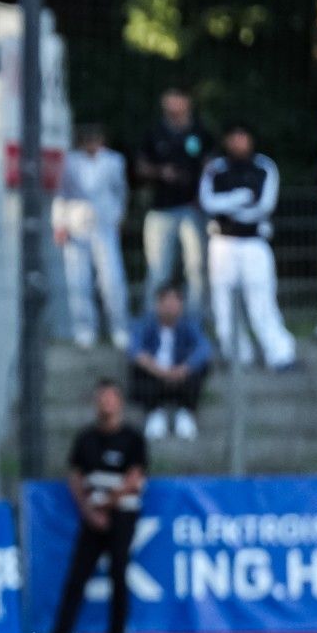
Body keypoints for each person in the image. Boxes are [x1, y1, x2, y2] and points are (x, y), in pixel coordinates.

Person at [44, 380, 147, 633]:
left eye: (111, 398)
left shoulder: (132, 438)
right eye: (101, 399)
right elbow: (75, 477)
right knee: (77, 575)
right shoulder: (86, 438)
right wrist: (90, 511)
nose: (106, 404)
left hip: (122, 514)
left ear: (119, 402)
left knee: (118, 572)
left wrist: (107, 503)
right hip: (91, 517)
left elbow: (135, 479)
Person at [200, 123, 298, 372]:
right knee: (223, 302)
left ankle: (279, 353)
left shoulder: (264, 167)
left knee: (261, 301)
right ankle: (237, 355)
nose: (238, 142)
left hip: (254, 244)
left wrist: (230, 207)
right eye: (233, 137)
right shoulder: (216, 168)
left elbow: (264, 206)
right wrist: (241, 197)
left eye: (243, 137)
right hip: (222, 244)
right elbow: (208, 203)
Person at [55, 123, 130, 350]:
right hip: (77, 224)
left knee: (112, 280)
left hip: (104, 225)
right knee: (78, 281)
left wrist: (117, 218)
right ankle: (84, 328)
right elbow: (62, 193)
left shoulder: (114, 161)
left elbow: (120, 191)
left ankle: (119, 327)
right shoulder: (70, 161)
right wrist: (60, 223)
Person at [135, 89, 209, 314]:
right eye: (170, 100)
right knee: (158, 270)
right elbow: (140, 167)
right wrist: (160, 172)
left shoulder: (201, 132)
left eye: (179, 99)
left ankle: (194, 324)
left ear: (188, 102)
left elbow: (211, 165)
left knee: (196, 269)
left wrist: (203, 194)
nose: (174, 105)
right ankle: (153, 325)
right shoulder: (154, 132)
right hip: (161, 209)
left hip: (193, 209)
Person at [126, 285, 214, 441]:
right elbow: (135, 350)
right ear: (158, 304)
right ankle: (154, 412)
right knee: (137, 369)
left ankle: (185, 412)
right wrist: (160, 371)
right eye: (167, 303)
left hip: (181, 375)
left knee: (201, 367)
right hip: (154, 374)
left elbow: (204, 347)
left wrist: (183, 369)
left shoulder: (189, 325)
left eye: (175, 303)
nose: (171, 308)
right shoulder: (145, 323)